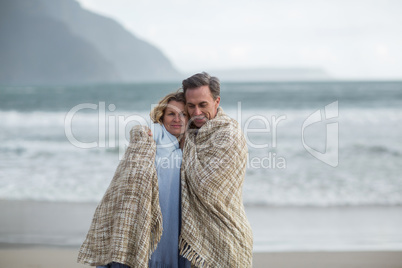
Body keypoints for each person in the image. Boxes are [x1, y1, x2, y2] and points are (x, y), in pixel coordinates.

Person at [77, 91, 191, 268]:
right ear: (161, 117)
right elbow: (140, 130)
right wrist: (139, 131)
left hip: (172, 216)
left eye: (183, 114)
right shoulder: (158, 134)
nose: (178, 118)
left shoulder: (185, 144)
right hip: (148, 211)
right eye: (171, 114)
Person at [178, 72, 253, 267]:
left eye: (203, 104)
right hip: (194, 245)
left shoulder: (228, 134)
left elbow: (206, 187)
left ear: (216, 101)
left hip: (226, 237)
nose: (196, 112)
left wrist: (184, 144)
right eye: (190, 105)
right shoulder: (190, 132)